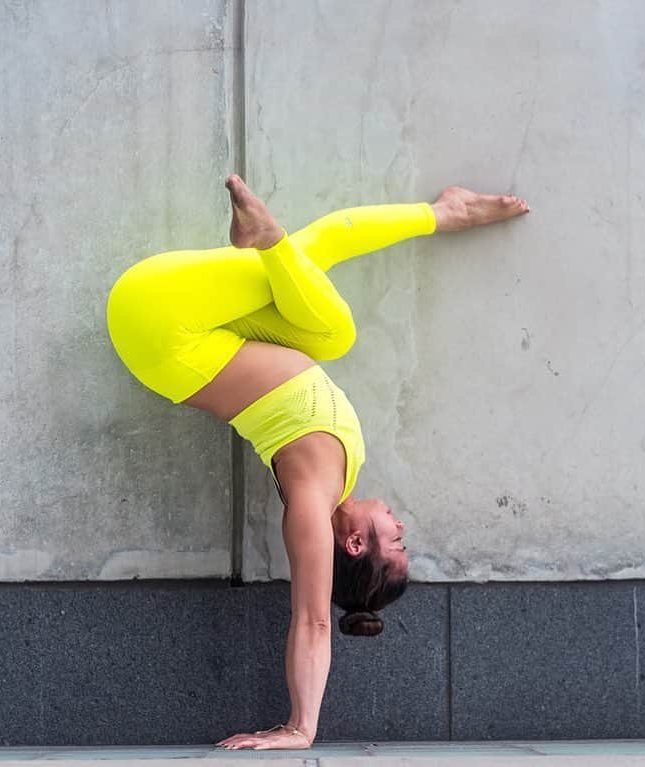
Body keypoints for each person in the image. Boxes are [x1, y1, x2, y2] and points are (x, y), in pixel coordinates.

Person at [106, 175, 529, 749]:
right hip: (201, 335)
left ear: (355, 545)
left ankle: (428, 216)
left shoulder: (310, 502)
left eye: (396, 541)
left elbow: (312, 619)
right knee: (332, 333)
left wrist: (301, 727)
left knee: (320, 259)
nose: (401, 526)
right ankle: (417, 217)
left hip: (159, 324)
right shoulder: (341, 477)